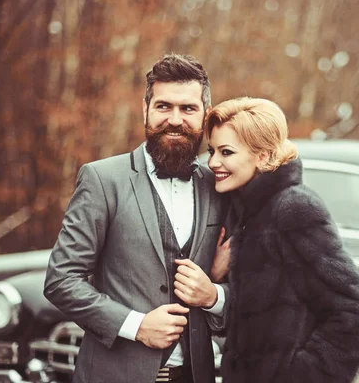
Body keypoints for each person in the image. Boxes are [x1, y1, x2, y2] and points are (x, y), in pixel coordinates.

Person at [44, 53, 231, 383]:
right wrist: (136, 325)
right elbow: (62, 280)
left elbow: (250, 284)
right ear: (145, 110)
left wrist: (214, 297)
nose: (175, 119)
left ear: (205, 116)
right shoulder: (102, 180)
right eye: (163, 106)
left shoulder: (219, 185)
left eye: (188, 109)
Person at [206, 97, 359, 383]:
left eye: (226, 152)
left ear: (262, 156)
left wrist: (302, 375)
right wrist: (215, 278)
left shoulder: (294, 208)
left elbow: (357, 312)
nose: (213, 162)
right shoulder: (245, 212)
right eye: (212, 150)